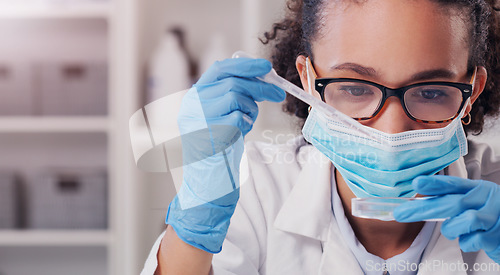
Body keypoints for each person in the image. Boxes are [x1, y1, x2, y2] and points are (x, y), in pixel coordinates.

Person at [141, 0, 500, 274]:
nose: (391, 132)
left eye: (432, 92)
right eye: (355, 89)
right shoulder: (256, 189)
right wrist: (196, 224)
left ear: (472, 91)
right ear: (310, 82)